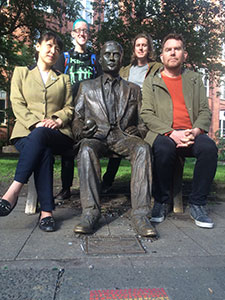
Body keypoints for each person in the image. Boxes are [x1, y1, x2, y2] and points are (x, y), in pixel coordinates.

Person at [72, 41, 156, 237]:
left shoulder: (134, 89)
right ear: (100, 59)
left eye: (116, 55)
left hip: (123, 136)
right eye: (107, 54)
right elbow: (76, 117)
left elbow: (144, 119)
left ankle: (141, 215)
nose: (111, 58)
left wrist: (140, 130)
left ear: (121, 59)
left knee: (143, 149)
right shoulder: (86, 87)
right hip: (96, 136)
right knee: (86, 150)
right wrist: (81, 130)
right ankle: (90, 213)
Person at [141, 33, 218, 229]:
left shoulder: (194, 79)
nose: (173, 52)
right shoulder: (151, 81)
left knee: (209, 148)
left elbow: (204, 110)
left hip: (191, 133)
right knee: (164, 149)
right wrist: (171, 133)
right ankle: (161, 200)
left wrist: (195, 131)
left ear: (184, 54)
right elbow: (147, 114)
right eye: (168, 49)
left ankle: (198, 203)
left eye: (177, 49)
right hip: (164, 134)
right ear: (162, 57)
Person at [0, 32, 74, 232]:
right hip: (25, 133)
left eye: (57, 49)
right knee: (44, 152)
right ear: (38, 46)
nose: (53, 51)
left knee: (43, 137)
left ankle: (13, 190)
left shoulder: (63, 79)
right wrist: (35, 123)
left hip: (57, 133)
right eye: (49, 45)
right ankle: (47, 212)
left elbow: (69, 108)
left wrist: (58, 120)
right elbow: (17, 103)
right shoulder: (21, 72)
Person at [102, 32, 162, 193]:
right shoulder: (125, 70)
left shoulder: (157, 68)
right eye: (138, 45)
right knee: (119, 138)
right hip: (127, 113)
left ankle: (152, 186)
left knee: (147, 146)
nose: (141, 48)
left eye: (144, 45)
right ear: (134, 49)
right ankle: (107, 180)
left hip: (147, 111)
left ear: (149, 48)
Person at [54, 18, 102, 200]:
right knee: (67, 150)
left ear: (88, 35)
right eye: (78, 30)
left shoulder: (93, 59)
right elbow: (54, 81)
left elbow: (100, 85)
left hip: (89, 112)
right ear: (73, 34)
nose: (82, 33)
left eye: (85, 31)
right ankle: (66, 188)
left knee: (89, 148)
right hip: (68, 109)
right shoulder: (64, 58)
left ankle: (90, 189)